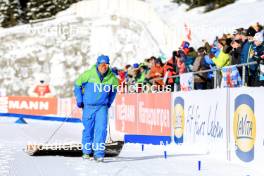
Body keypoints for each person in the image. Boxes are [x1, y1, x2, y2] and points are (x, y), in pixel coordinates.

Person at [74, 55, 118, 162]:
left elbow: (113, 92)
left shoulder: (112, 78)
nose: (104, 67)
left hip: (102, 107)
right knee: (88, 129)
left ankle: (98, 154)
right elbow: (77, 84)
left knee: (101, 130)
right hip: (88, 106)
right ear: (98, 64)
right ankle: (86, 152)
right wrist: (79, 99)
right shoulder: (89, 74)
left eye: (106, 64)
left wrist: (109, 103)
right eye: (102, 64)